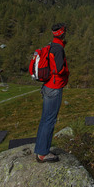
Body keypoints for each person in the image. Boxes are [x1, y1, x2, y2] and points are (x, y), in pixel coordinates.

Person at [34, 22, 70, 163]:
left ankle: (40, 149)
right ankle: (43, 153)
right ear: (62, 33)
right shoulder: (59, 49)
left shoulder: (50, 46)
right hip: (55, 87)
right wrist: (68, 72)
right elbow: (60, 69)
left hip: (47, 85)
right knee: (50, 120)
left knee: (45, 119)